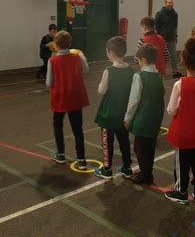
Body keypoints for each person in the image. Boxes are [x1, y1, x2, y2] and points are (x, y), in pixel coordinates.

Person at [164, 37, 195, 205]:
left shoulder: (180, 85)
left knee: (182, 165)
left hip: (184, 135)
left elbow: (171, 110)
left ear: (183, 61)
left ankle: (181, 191)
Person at [46, 30, 89, 169]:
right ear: (70, 44)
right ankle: (81, 159)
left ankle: (61, 153)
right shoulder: (77, 57)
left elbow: (48, 83)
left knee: (58, 125)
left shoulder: (52, 60)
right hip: (75, 97)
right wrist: (82, 56)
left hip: (60, 97)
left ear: (56, 45)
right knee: (78, 128)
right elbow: (86, 70)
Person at [94, 36, 134, 180]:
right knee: (124, 141)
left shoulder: (109, 71)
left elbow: (101, 90)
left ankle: (106, 169)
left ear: (110, 52)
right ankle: (127, 167)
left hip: (108, 115)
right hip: (123, 114)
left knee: (107, 143)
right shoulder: (131, 71)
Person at [124, 44, 165, 184]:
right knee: (150, 148)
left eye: (139, 60)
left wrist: (127, 118)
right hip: (155, 118)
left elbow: (133, 100)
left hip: (143, 118)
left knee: (140, 148)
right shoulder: (158, 76)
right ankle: (147, 172)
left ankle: (145, 175)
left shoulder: (139, 76)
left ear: (144, 59)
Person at [155, 0, 183, 78]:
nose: (170, 4)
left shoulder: (175, 14)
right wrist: (157, 37)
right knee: (162, 56)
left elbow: (175, 26)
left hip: (171, 38)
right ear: (165, 3)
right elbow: (156, 27)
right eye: (169, 2)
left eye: (171, 3)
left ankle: (175, 71)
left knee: (173, 55)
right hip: (161, 38)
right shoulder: (159, 14)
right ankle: (160, 71)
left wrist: (176, 36)